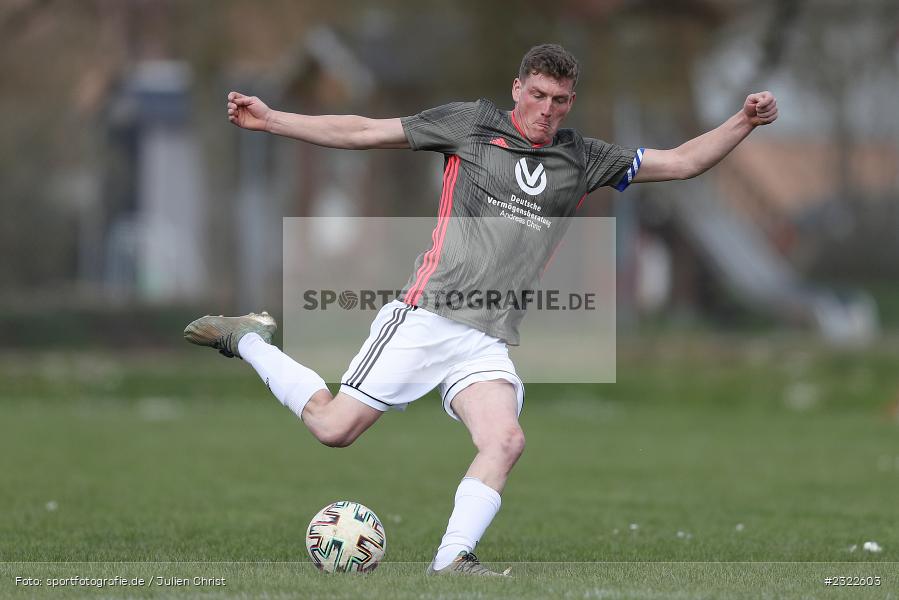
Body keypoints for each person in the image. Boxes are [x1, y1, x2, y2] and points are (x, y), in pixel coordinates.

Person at [184, 43, 777, 576]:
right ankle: (249, 339)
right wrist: (273, 120)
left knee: (506, 441)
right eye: (537, 95)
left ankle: (452, 561)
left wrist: (744, 121)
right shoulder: (470, 125)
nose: (547, 110)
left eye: (560, 101)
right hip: (425, 317)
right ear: (517, 88)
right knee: (333, 429)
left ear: (571, 102)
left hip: (485, 339)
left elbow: (683, 162)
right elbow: (363, 130)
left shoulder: (583, 159)